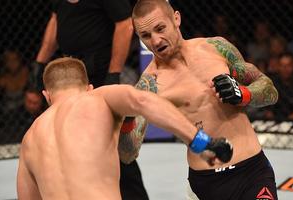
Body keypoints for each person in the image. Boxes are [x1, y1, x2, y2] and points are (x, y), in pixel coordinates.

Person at [17, 57, 232, 199]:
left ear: (46, 96)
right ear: (89, 87)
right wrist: (200, 141)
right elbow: (144, 102)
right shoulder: (97, 98)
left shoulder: (29, 139)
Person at [126, 0, 279, 199]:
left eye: (160, 28)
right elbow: (128, 153)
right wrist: (126, 119)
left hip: (253, 171)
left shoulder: (216, 47)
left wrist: (243, 94)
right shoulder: (150, 85)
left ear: (176, 18)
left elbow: (270, 91)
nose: (155, 41)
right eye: (146, 36)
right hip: (208, 182)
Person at [30, 0, 147, 199]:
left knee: (111, 144)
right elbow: (56, 20)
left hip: (100, 73)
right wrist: (40, 60)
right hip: (72, 74)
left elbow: (125, 24)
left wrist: (114, 73)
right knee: (74, 141)